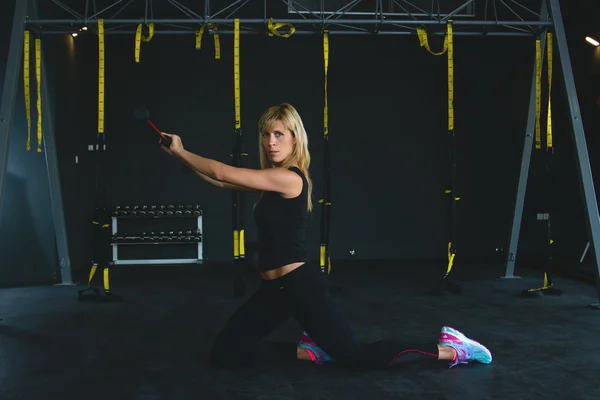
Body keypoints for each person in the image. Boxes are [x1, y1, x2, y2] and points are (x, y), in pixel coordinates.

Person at [160, 103, 492, 370]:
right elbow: (220, 182)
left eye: (279, 133)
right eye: (265, 134)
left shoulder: (289, 178)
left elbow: (220, 171)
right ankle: (312, 351)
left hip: (299, 285)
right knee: (227, 354)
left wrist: (183, 151)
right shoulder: (268, 180)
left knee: (357, 357)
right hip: (273, 290)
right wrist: (181, 158)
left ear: (294, 138)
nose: (270, 141)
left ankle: (451, 349)